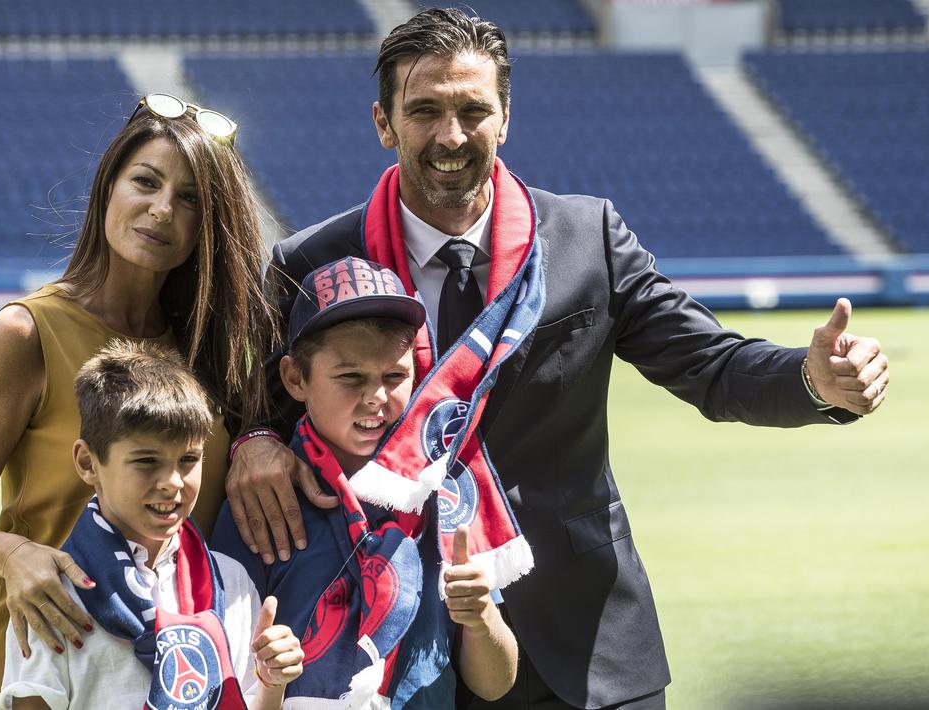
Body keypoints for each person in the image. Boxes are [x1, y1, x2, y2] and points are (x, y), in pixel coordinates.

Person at [223, 9, 890, 710]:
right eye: (423, 111)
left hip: (587, 643)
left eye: (472, 110)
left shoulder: (585, 237)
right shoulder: (312, 261)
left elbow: (712, 365)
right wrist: (256, 440)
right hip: (405, 654)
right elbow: (257, 400)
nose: (450, 135)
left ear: (504, 116)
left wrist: (812, 382)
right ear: (383, 124)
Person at [0, 93, 277, 708]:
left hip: (184, 680)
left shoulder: (216, 351)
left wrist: (255, 438)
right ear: (109, 186)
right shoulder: (27, 333)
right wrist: (12, 554)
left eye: (189, 199)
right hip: (38, 674)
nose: (162, 209)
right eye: (146, 181)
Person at [213, 257, 519, 707]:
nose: (375, 397)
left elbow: (495, 682)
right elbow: (223, 676)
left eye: (394, 377)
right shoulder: (262, 499)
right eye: (350, 377)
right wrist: (270, 675)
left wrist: (481, 618)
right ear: (295, 378)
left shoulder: (445, 491)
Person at [0, 340, 303, 709]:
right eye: (146, 461)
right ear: (87, 463)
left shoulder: (230, 581)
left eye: (189, 459)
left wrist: (271, 683)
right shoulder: (52, 596)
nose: (172, 481)